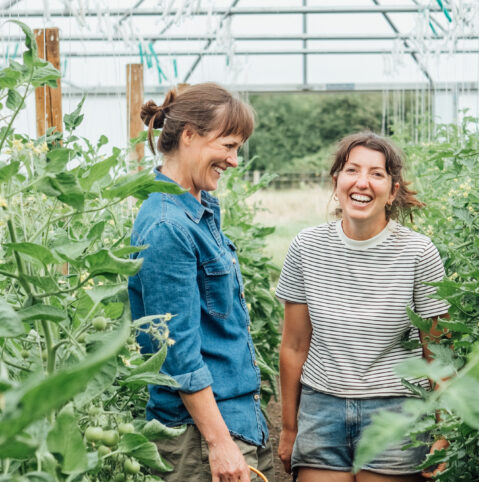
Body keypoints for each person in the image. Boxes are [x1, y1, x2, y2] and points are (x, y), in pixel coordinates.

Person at [277, 132, 450, 482]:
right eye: (352, 170)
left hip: (396, 409)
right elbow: (294, 345)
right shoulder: (307, 248)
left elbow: (438, 351)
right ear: (336, 181)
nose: (362, 182)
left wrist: (445, 432)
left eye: (376, 173)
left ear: (392, 191)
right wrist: (289, 428)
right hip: (321, 406)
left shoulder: (418, 253)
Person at [128, 83, 274, 482]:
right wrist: (219, 443)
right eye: (228, 146)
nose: (234, 160)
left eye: (238, 148)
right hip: (201, 437)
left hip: (235, 420)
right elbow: (177, 354)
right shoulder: (167, 225)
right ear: (189, 135)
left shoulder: (199, 207)